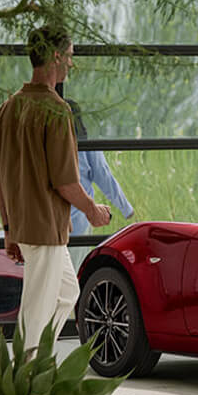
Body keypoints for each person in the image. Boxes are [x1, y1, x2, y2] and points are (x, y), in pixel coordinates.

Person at [0, 25, 111, 351]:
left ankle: (38, 360)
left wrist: (9, 229)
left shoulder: (9, 107)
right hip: (44, 229)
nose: (71, 63)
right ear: (56, 56)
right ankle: (25, 372)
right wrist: (93, 210)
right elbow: (66, 182)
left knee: (67, 293)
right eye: (69, 56)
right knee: (37, 308)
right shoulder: (56, 109)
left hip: (28, 228)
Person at [65, 99, 134, 271]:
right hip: (79, 223)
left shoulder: (48, 146)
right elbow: (104, 177)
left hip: (53, 225)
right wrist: (126, 209)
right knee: (75, 272)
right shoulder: (86, 144)